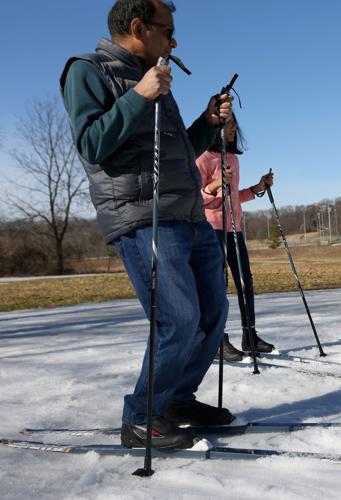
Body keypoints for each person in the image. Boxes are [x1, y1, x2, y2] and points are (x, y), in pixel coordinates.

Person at [60, 0, 237, 450]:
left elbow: (176, 149)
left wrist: (206, 123)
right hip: (144, 217)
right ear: (138, 27)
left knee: (213, 316)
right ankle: (140, 418)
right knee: (178, 320)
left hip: (190, 215)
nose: (174, 41)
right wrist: (139, 94)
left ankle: (176, 401)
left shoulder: (153, 77)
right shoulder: (88, 70)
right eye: (168, 30)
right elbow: (93, 144)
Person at [196, 115, 276, 361]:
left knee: (245, 282)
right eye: (229, 126)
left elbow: (233, 197)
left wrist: (256, 189)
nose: (234, 130)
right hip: (212, 229)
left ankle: (249, 335)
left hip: (234, 229)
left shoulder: (232, 159)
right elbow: (195, 198)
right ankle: (217, 339)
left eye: (235, 126)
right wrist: (213, 187)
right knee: (217, 285)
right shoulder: (203, 158)